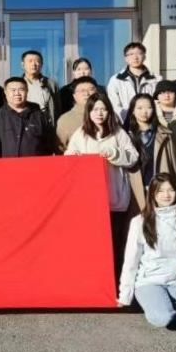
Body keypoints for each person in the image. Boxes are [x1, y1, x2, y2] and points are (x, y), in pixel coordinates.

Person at [117, 174, 176, 330]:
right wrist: (125, 295)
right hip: (150, 281)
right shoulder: (139, 222)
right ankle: (162, 304)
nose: (166, 195)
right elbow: (131, 261)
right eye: (160, 191)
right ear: (152, 194)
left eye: (171, 190)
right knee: (161, 318)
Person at [65, 93, 138, 281]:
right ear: (88, 112)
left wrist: (114, 153)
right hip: (89, 202)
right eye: (95, 109)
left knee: (116, 243)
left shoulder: (118, 133)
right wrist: (75, 159)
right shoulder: (81, 133)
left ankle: (117, 283)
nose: (99, 113)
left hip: (115, 199)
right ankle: (94, 282)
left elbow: (133, 157)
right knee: (93, 245)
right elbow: (68, 159)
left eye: (103, 109)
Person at [123, 94, 176, 215]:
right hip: (134, 188)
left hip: (160, 188)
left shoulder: (165, 134)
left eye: (148, 107)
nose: (144, 112)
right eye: (139, 108)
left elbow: (173, 165)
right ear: (132, 111)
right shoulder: (125, 136)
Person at [0, 77, 57, 157]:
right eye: (13, 90)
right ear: (5, 92)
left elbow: (50, 144)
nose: (17, 93)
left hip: (35, 164)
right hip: (6, 164)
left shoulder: (39, 116)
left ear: (27, 91)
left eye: (21, 90)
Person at [106, 42, 161, 122]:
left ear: (144, 56)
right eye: (131, 54)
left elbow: (158, 103)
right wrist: (127, 120)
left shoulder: (156, 79)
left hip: (150, 122)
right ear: (125, 58)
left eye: (139, 53)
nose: (135, 57)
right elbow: (114, 105)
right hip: (125, 122)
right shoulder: (116, 80)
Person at [56, 77, 99, 153]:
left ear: (97, 92)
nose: (87, 94)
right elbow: (60, 149)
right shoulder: (65, 119)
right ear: (74, 96)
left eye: (91, 89)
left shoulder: (109, 114)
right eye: (82, 91)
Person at [20, 50, 60, 125]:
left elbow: (58, 108)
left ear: (41, 65)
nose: (34, 64)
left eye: (37, 61)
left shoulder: (51, 84)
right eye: (30, 61)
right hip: (24, 123)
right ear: (23, 64)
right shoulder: (17, 84)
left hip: (46, 124)